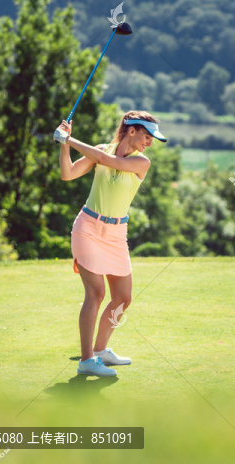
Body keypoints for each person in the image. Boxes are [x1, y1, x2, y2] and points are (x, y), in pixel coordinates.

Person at [55, 111, 167, 377]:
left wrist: (70, 139)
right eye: (147, 136)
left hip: (117, 234)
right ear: (132, 131)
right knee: (95, 294)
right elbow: (67, 174)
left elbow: (107, 161)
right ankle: (86, 360)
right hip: (88, 229)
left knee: (123, 297)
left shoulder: (142, 162)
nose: (150, 142)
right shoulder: (100, 150)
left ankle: (100, 350)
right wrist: (63, 145)